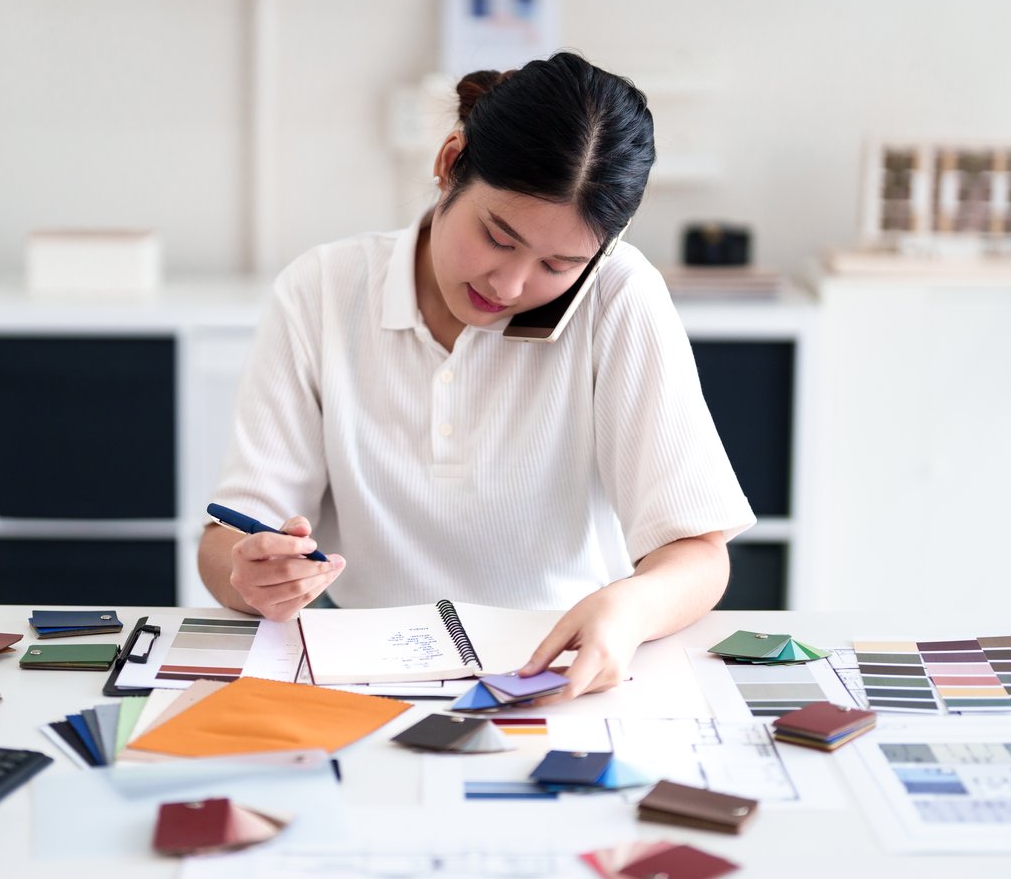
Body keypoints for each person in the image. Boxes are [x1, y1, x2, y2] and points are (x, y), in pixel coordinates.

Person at [199, 51, 755, 699]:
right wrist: (251, 575)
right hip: (365, 672)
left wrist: (628, 610)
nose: (511, 283)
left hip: (565, 669)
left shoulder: (618, 298)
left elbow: (697, 554)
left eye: (559, 262)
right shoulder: (320, 291)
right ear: (449, 162)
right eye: (498, 236)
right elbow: (228, 542)